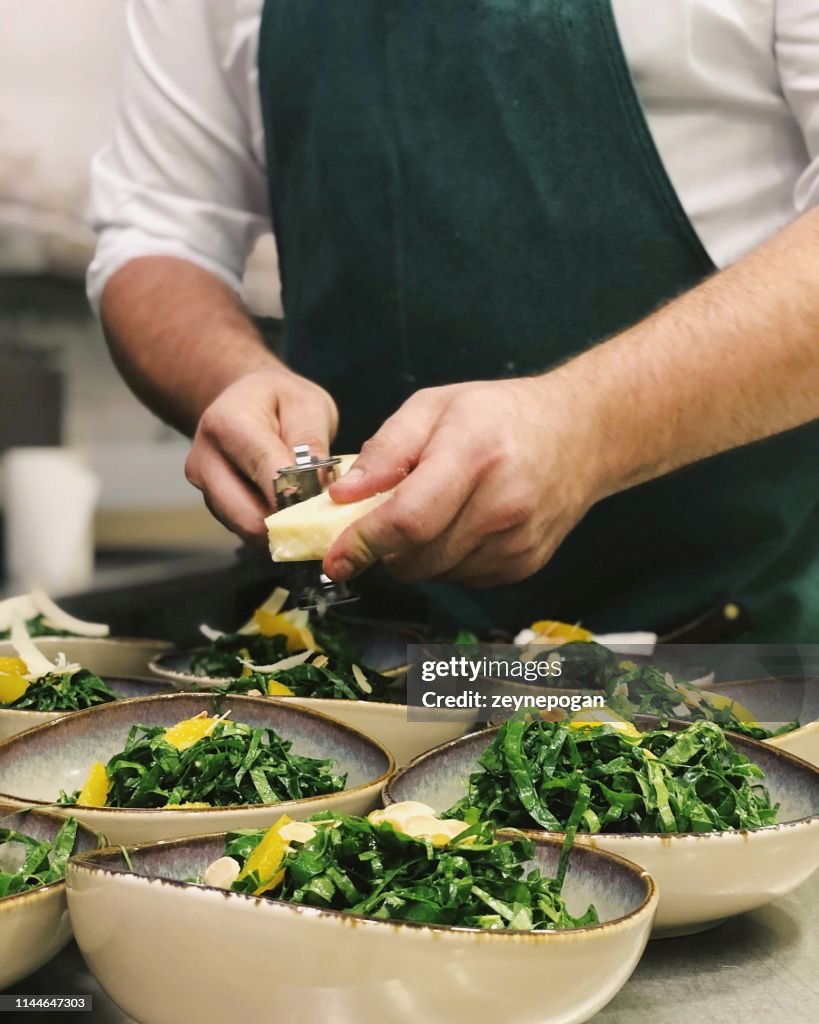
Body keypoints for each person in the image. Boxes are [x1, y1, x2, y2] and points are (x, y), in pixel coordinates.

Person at [88, 1, 819, 641]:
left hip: (728, 662)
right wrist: (233, 378)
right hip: (348, 656)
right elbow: (158, 229)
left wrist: (587, 425)